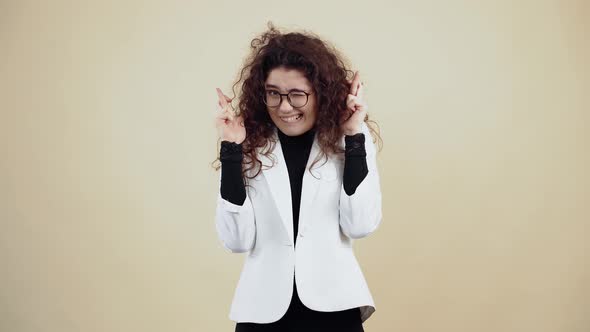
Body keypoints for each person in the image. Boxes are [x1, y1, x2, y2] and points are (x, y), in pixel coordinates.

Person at [213, 23, 383, 332]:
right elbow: (236, 241)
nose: (285, 106)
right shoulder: (249, 142)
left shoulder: (351, 139)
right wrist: (231, 151)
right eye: (273, 94)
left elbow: (360, 225)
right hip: (263, 310)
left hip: (333, 306)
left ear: (321, 92)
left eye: (297, 95)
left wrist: (354, 139)